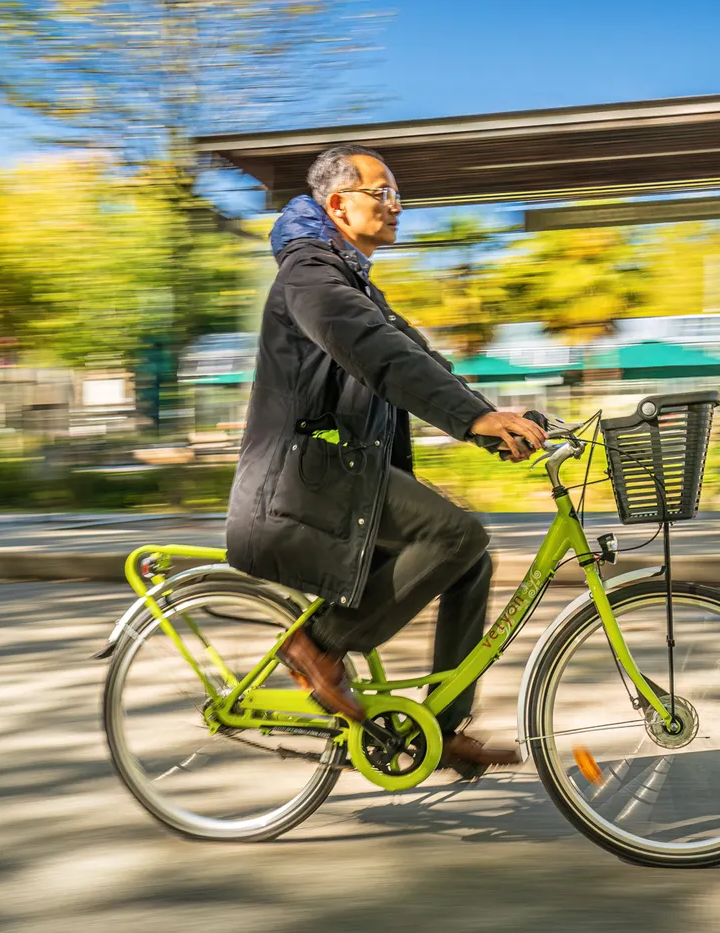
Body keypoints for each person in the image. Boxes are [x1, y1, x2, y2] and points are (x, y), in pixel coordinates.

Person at [225, 144, 548, 772]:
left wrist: (493, 424)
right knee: (458, 534)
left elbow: (417, 360)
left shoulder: (350, 278)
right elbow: (373, 351)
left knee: (469, 560)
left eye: (397, 194)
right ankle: (317, 646)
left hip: (338, 471)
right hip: (300, 476)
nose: (397, 206)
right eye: (383, 193)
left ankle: (442, 725)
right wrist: (470, 417)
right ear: (338, 204)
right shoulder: (309, 275)